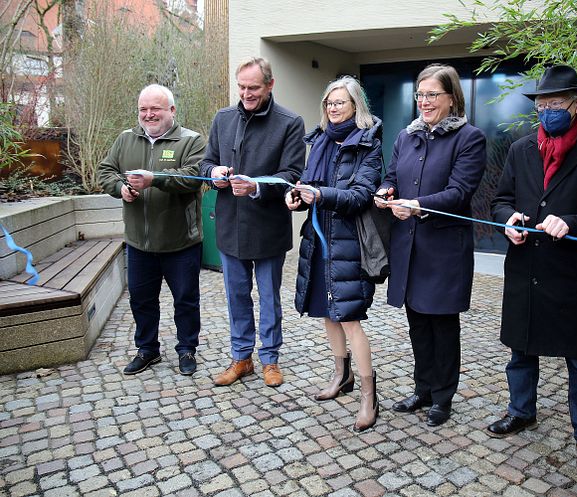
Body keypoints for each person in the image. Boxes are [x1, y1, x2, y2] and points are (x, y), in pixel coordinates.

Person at [489, 65, 577, 480]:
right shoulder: (520, 149)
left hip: (572, 275)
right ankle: (521, 411)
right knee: (520, 350)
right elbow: (501, 200)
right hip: (526, 266)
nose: (547, 111)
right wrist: (508, 219)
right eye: (542, 105)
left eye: (555, 104)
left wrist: (571, 222)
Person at [375, 64, 486, 427]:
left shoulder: (469, 138)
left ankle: (443, 397)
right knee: (417, 322)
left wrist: (418, 205)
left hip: (444, 250)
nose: (424, 101)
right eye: (420, 95)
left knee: (442, 324)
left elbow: (459, 193)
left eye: (432, 95)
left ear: (451, 98)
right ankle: (423, 389)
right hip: (409, 246)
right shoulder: (406, 137)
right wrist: (385, 192)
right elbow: (392, 176)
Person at [286, 76, 384, 432]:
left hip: (349, 244)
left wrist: (321, 195)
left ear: (356, 106)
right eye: (328, 103)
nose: (332, 108)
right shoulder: (322, 140)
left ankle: (369, 397)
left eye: (339, 102)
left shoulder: (368, 143)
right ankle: (341, 377)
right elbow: (310, 187)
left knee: (349, 317)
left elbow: (360, 196)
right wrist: (297, 197)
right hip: (319, 240)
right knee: (328, 312)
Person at [200, 57, 305, 388]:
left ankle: (270, 359)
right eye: (241, 87)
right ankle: (241, 358)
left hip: (269, 227)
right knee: (236, 296)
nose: (246, 94)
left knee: (269, 297)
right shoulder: (223, 118)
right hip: (231, 227)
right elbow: (207, 162)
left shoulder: (290, 122)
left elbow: (292, 175)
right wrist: (213, 174)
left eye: (253, 88)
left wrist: (257, 187)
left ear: (270, 85)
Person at [98, 84, 205, 376]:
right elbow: (105, 171)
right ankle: (147, 350)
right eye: (143, 109)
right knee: (141, 300)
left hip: (181, 243)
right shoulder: (125, 140)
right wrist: (120, 188)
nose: (149, 114)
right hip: (138, 244)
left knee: (186, 300)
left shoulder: (191, 140)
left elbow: (194, 177)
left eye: (155, 108)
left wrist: (153, 179)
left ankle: (186, 349)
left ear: (171, 110)